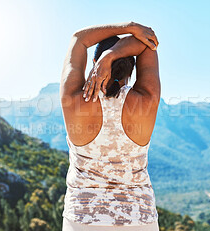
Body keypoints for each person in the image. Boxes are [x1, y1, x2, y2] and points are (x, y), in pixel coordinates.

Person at [60, 21, 161, 231]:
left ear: (94, 62)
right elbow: (148, 41)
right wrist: (113, 55)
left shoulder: (73, 101)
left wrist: (127, 27)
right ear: (132, 69)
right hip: (139, 218)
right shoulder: (146, 100)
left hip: (82, 219)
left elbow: (78, 39)